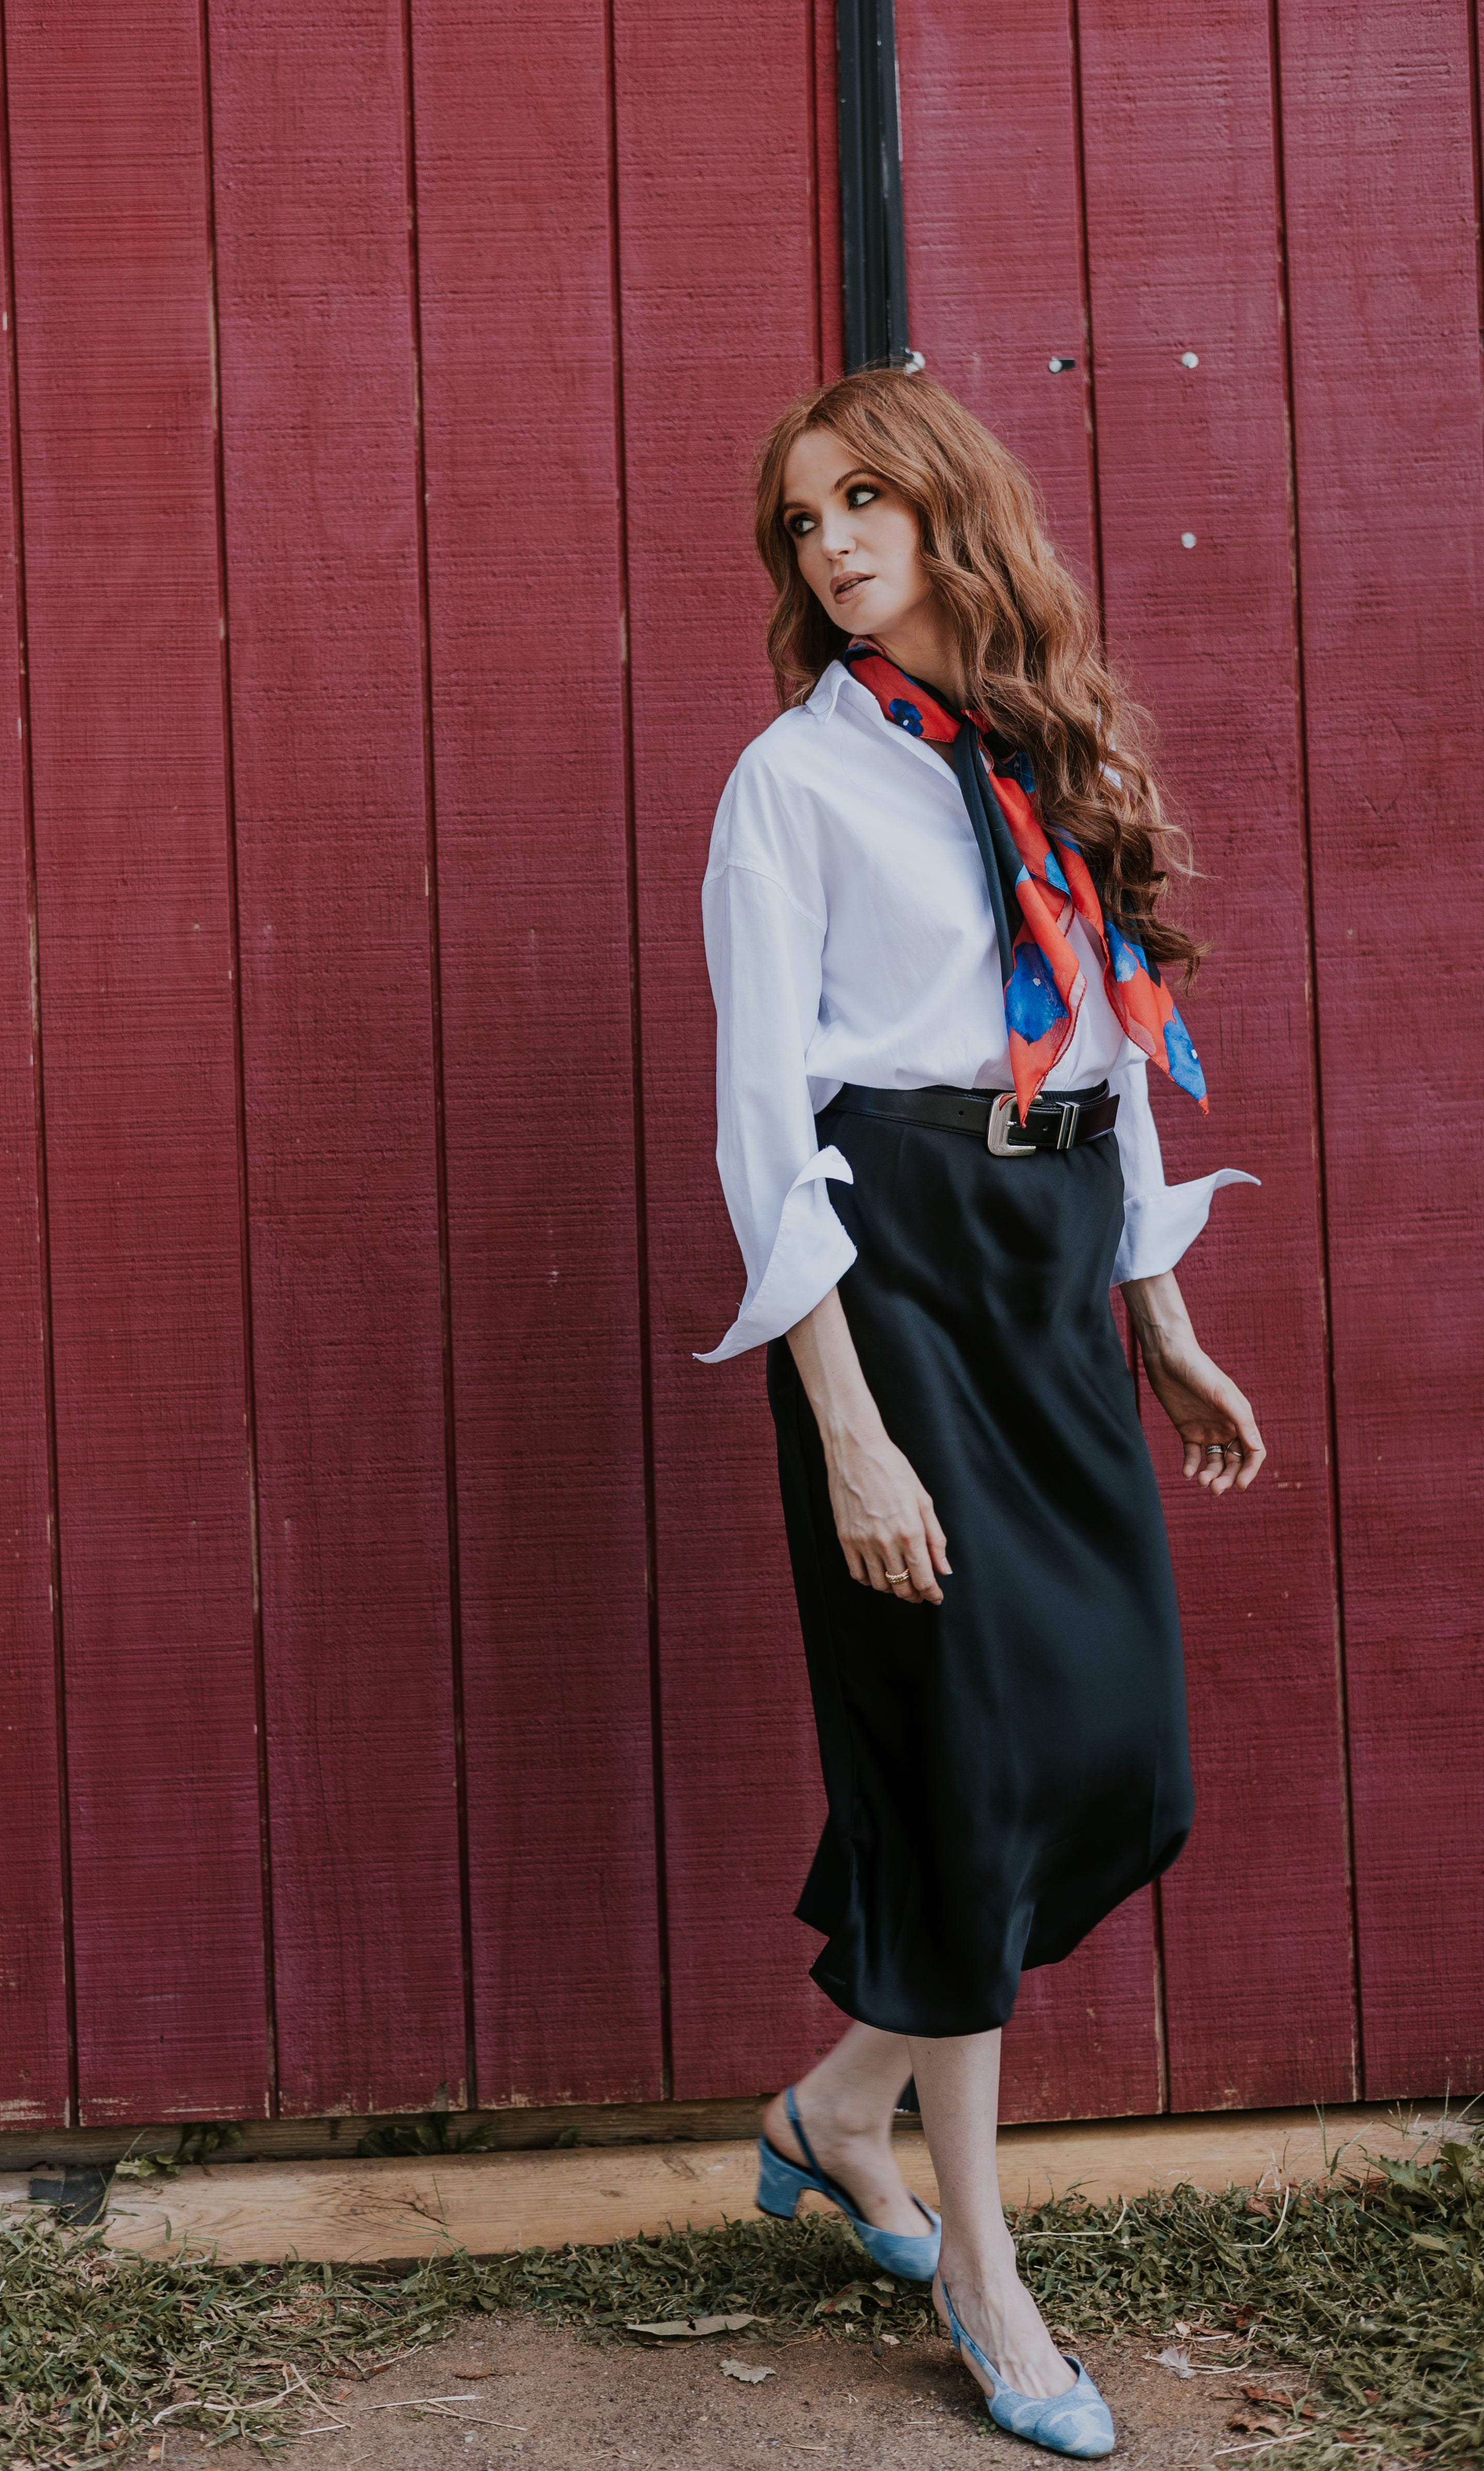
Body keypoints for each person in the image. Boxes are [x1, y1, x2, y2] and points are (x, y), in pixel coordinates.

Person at [697, 370, 1264, 2460]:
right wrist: (841, 1414)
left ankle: (837, 2103)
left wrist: (1162, 1302)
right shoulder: (792, 784)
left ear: (953, 513)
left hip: (1046, 1272)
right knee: (966, 1757)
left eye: (862, 501)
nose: (831, 544)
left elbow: (1107, 1047)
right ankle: (986, 2267)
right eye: (797, 522)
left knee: (1122, 1762)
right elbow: (771, 1132)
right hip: (897, 1277)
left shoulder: (1043, 754)